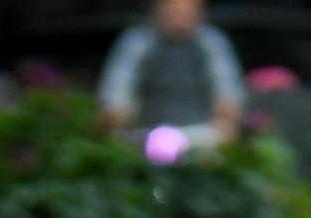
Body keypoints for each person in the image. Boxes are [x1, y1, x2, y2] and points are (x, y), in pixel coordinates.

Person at [99, 0, 246, 149]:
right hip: (146, 132)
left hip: (199, 132)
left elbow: (227, 87)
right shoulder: (137, 41)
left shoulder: (212, 40)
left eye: (187, 11)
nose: (180, 18)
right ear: (157, 11)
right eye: (173, 11)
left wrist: (227, 113)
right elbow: (119, 86)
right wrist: (115, 113)